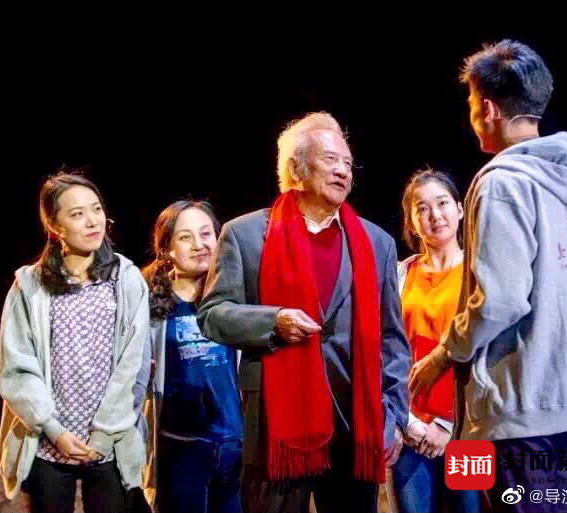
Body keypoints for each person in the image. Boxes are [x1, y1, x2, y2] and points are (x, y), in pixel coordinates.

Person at [409, 40, 567, 512]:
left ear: (487, 108)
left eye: (470, 104)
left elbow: (500, 300)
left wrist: (443, 355)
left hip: (520, 413)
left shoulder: (502, 183)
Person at [197, 112, 411, 513]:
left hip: (355, 424)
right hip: (277, 426)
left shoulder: (376, 243)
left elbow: (393, 340)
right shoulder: (245, 234)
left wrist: (396, 416)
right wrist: (272, 321)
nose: (343, 171)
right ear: (295, 168)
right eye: (331, 160)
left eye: (348, 163)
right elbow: (212, 314)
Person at [0, 170, 150, 513]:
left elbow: (134, 365)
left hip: (110, 441)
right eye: (77, 214)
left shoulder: (126, 279)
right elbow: (16, 367)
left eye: (96, 209)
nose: (92, 221)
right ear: (55, 225)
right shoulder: (30, 285)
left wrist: (103, 436)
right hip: (48, 442)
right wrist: (54, 431)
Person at [141, 200, 243, 513]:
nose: (199, 245)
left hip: (234, 444)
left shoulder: (238, 295)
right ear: (167, 248)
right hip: (178, 447)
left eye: (206, 234)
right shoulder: (147, 302)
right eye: (185, 237)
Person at [388, 169, 480, 513]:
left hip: (467, 431)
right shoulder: (400, 273)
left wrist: (447, 426)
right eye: (422, 209)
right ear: (412, 223)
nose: (434, 215)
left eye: (442, 203)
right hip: (410, 433)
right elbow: (385, 354)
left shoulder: (479, 273)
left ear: (460, 209)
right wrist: (408, 423)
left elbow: (487, 355)